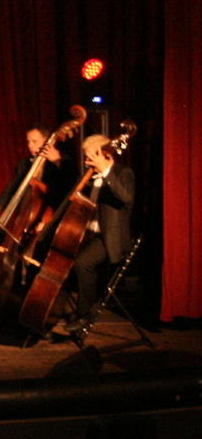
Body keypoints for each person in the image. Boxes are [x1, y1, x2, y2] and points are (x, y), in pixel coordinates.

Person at [70, 134, 135, 326]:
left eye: (90, 157)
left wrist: (106, 171)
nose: (86, 161)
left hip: (110, 237)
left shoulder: (123, 173)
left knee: (83, 263)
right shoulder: (90, 175)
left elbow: (126, 197)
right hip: (88, 233)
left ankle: (85, 315)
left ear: (103, 154)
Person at [0, 123, 74, 222]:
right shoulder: (24, 164)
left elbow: (68, 188)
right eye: (28, 142)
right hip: (24, 219)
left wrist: (57, 161)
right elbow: (11, 189)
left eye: (34, 141)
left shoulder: (63, 162)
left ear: (47, 140)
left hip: (49, 220)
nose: (30, 145)